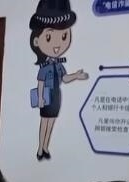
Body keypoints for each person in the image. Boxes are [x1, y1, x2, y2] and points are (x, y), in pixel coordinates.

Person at [29, 0, 88, 161]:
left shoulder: (59, 66)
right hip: (46, 97)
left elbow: (65, 79)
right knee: (44, 121)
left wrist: (76, 75)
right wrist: (40, 98)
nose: (57, 44)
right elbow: (40, 83)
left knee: (52, 122)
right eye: (48, 37)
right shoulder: (44, 67)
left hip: (56, 96)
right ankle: (40, 148)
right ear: (37, 41)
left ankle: (45, 147)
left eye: (64, 36)